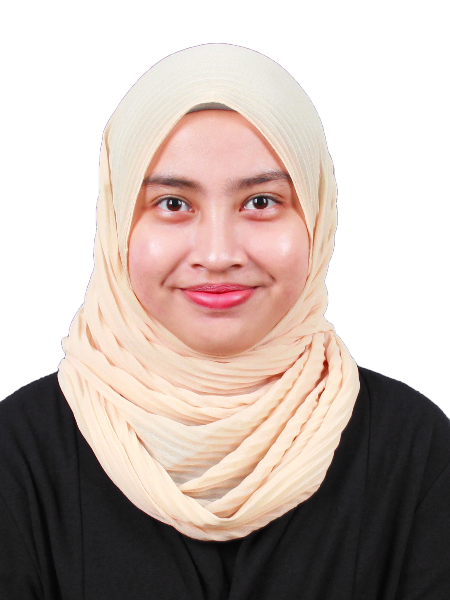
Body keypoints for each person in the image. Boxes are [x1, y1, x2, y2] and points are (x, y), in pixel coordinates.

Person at [0, 43, 449, 600]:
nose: (217, 254)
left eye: (261, 202)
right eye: (172, 203)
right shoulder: (18, 457)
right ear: (117, 223)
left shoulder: (413, 452)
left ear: (319, 214)